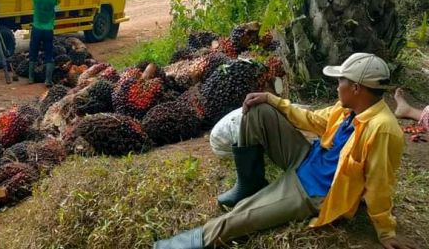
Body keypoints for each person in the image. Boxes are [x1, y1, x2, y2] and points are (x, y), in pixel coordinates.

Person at [153, 53, 415, 249]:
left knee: (241, 216)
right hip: (307, 158)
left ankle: (177, 244)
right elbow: (313, 120)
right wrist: (271, 99)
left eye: (341, 81)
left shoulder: (383, 129)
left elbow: (381, 183)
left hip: (314, 190)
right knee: (259, 111)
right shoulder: (349, 108)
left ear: (356, 88)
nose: (337, 86)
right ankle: (250, 183)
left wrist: (385, 232)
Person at [28, 0, 60, 87]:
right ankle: (48, 80)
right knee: (48, 53)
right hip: (48, 30)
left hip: (36, 29)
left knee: (33, 52)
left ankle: (31, 78)